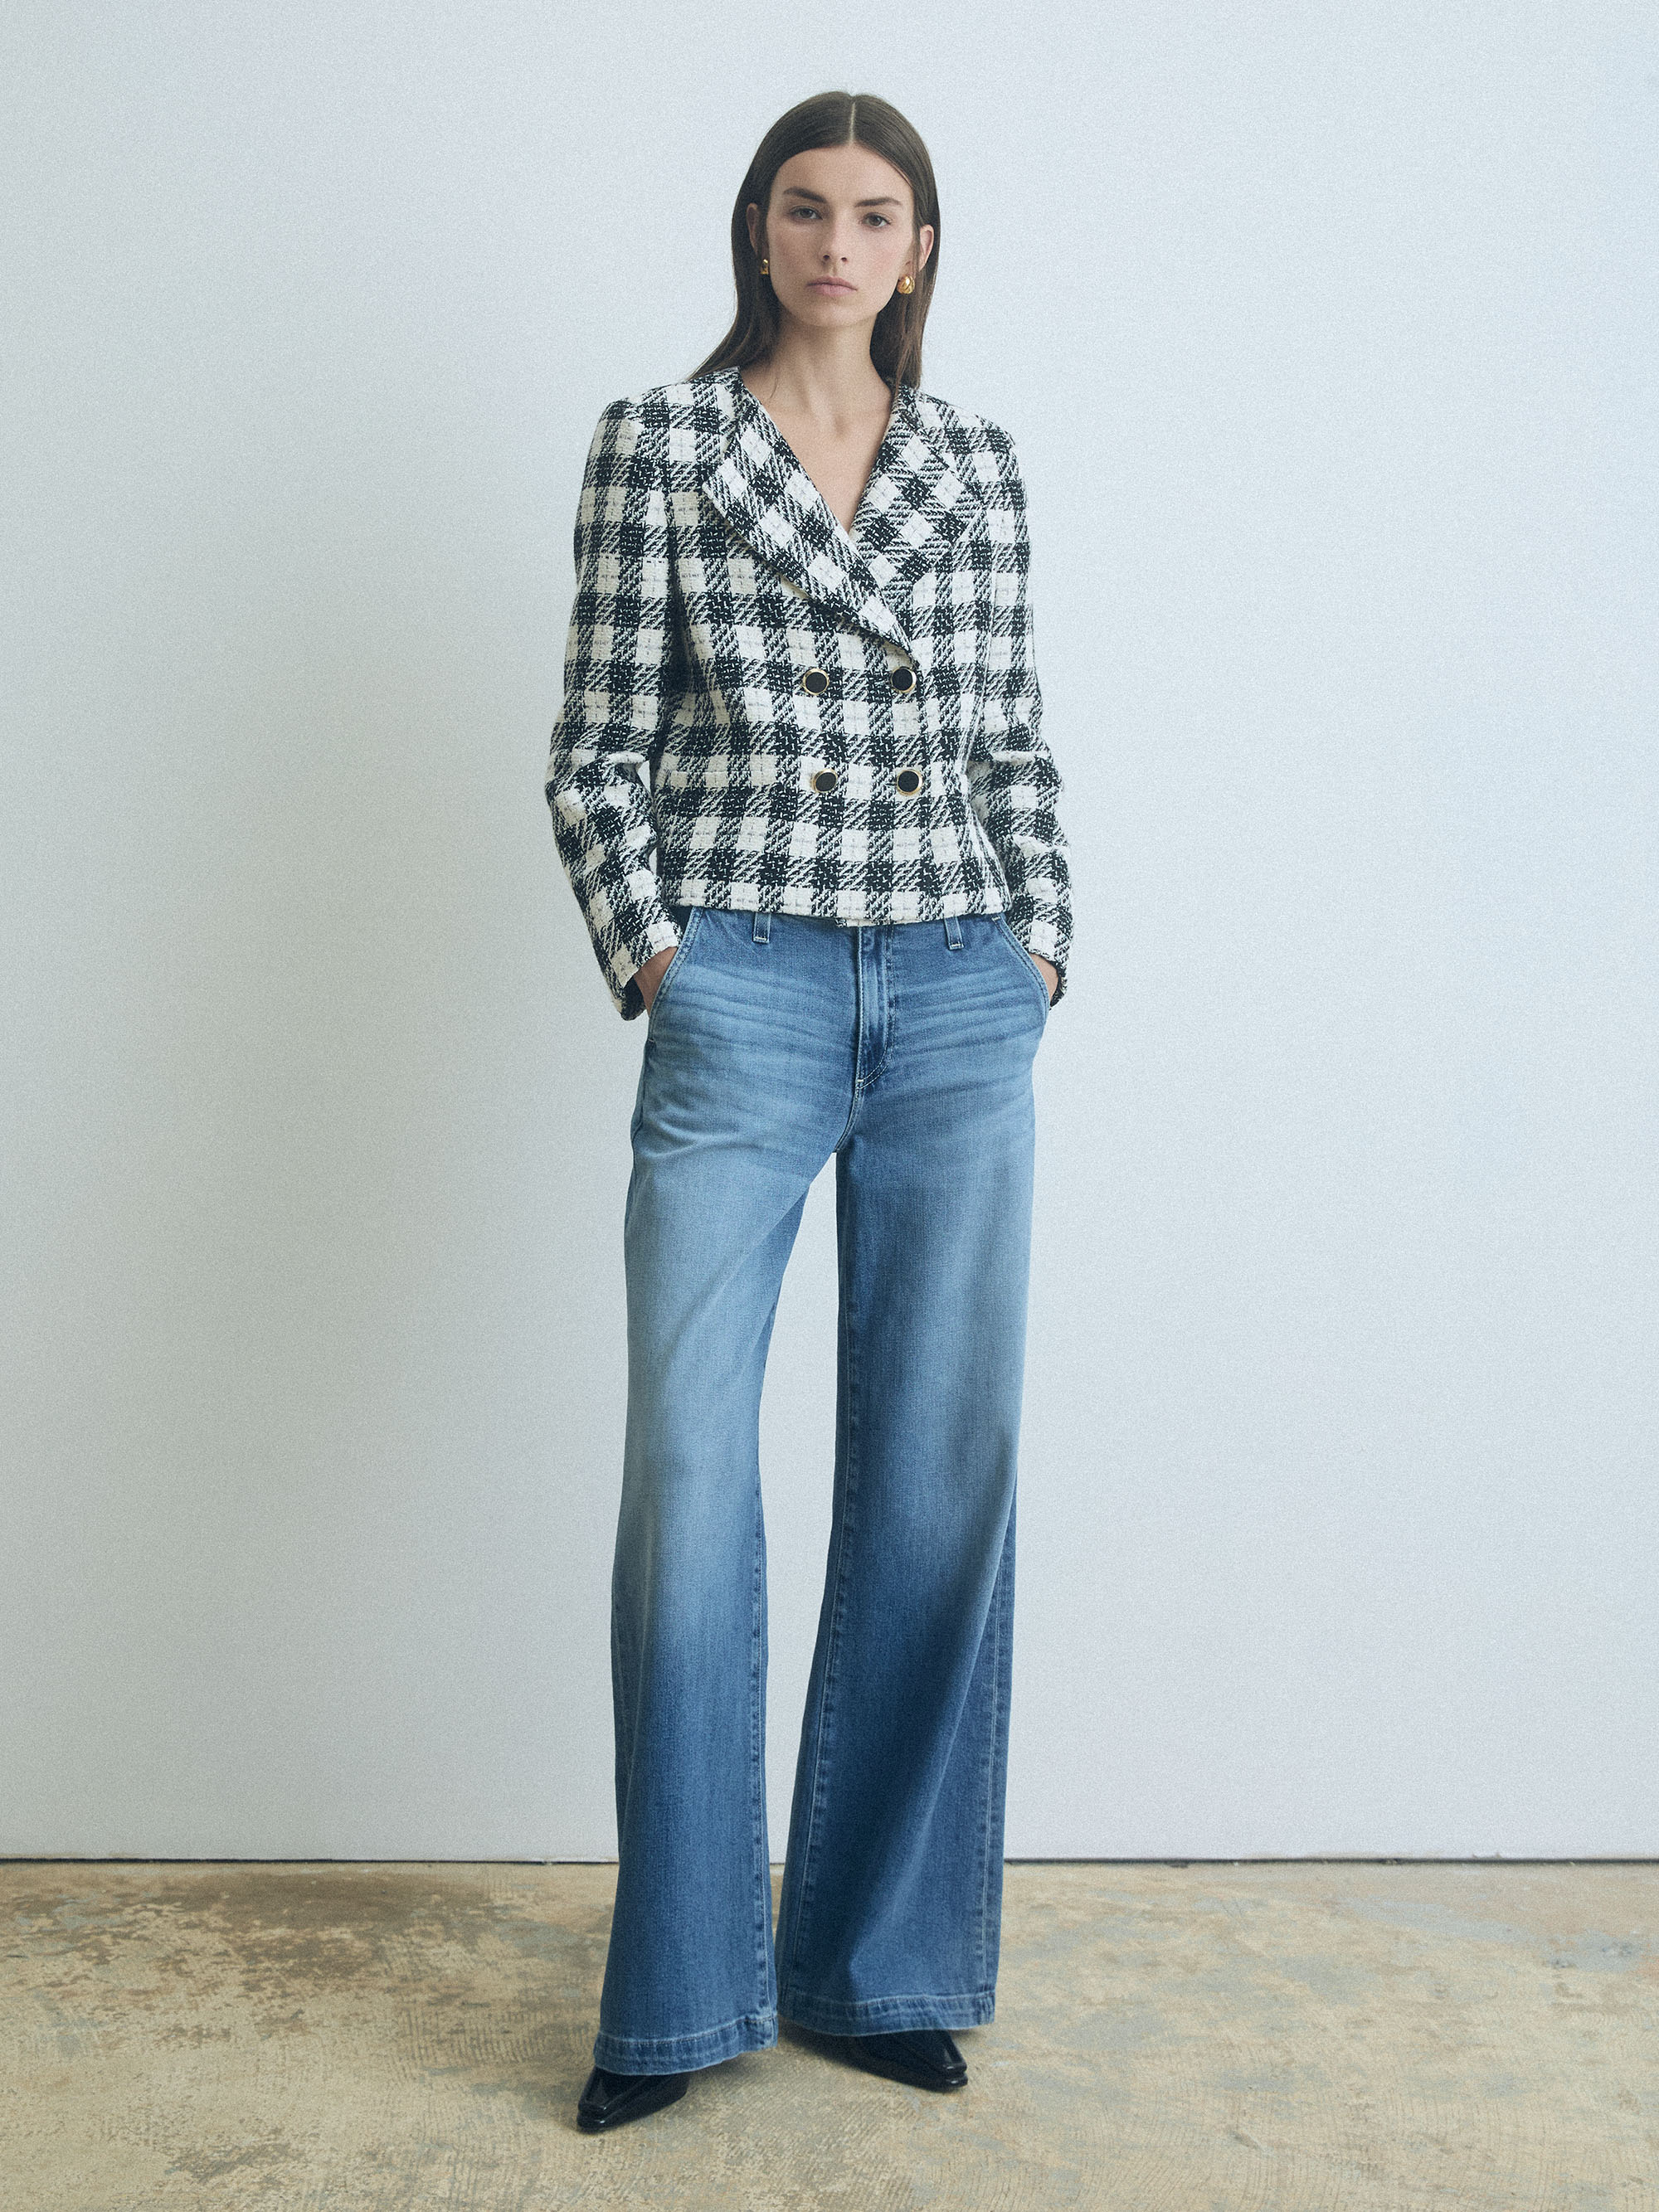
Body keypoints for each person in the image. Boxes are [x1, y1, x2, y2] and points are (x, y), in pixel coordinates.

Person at [544, 89, 1073, 2134]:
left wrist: (1037, 945)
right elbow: (595, 744)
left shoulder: (978, 466)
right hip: (744, 983)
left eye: (876, 212)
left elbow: (1015, 734)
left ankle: (880, 1964)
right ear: (756, 234)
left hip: (955, 990)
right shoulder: (661, 445)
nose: (838, 242)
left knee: (941, 1467)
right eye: (803, 208)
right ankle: (674, 1995)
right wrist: (664, 953)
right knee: (690, 1475)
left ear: (918, 247)